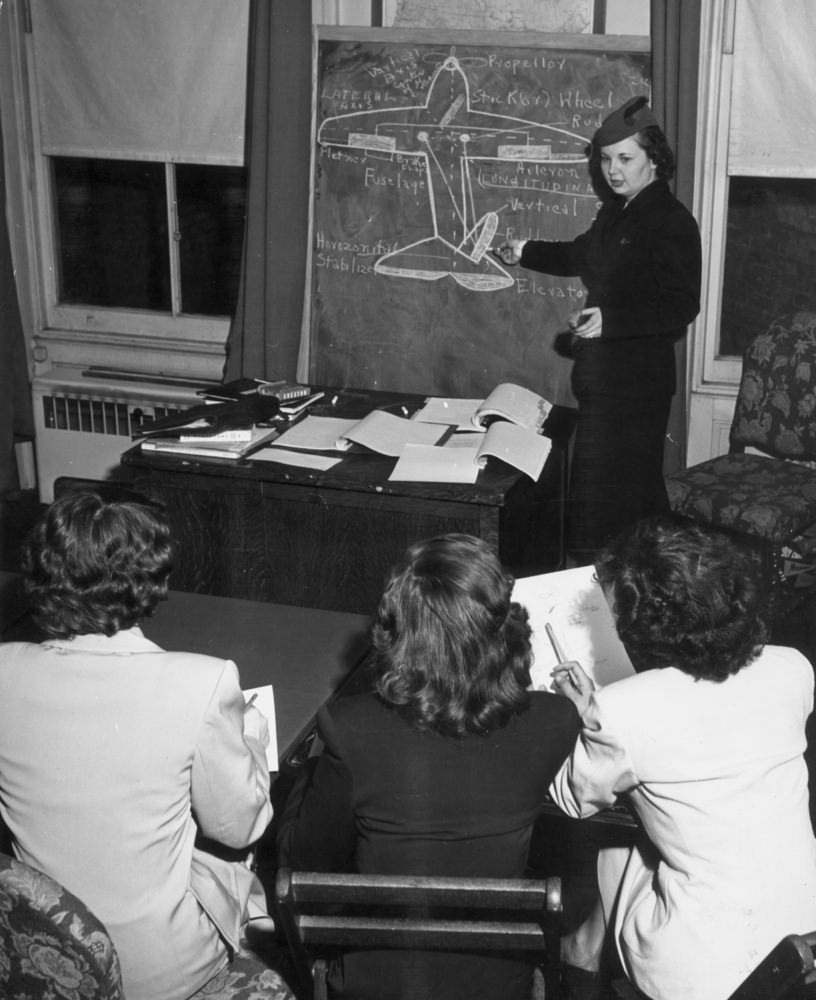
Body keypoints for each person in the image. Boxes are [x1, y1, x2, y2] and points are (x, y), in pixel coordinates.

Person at [277, 532, 581, 1000]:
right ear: (501, 629)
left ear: (399, 635)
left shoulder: (348, 727)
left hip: (375, 982)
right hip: (498, 981)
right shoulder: (555, 719)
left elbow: (305, 861)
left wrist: (313, 771)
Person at [0, 489, 277, 1000]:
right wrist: (253, 737)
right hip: (158, 975)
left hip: (34, 956)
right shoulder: (203, 681)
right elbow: (239, 828)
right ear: (153, 580)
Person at [548, 516, 816, 1000]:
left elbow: (572, 799)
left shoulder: (624, 708)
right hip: (804, 937)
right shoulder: (794, 666)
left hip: (701, 972)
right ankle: (585, 946)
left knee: (619, 834)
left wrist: (581, 718)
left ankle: (583, 950)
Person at [495, 97, 702, 565]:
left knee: (619, 513)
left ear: (655, 159)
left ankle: (637, 599)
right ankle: (645, 594)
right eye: (606, 159)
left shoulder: (671, 221)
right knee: (621, 510)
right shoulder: (618, 211)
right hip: (606, 386)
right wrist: (524, 249)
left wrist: (612, 320)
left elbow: (681, 305)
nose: (612, 170)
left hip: (636, 391)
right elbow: (581, 255)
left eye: (625, 159)